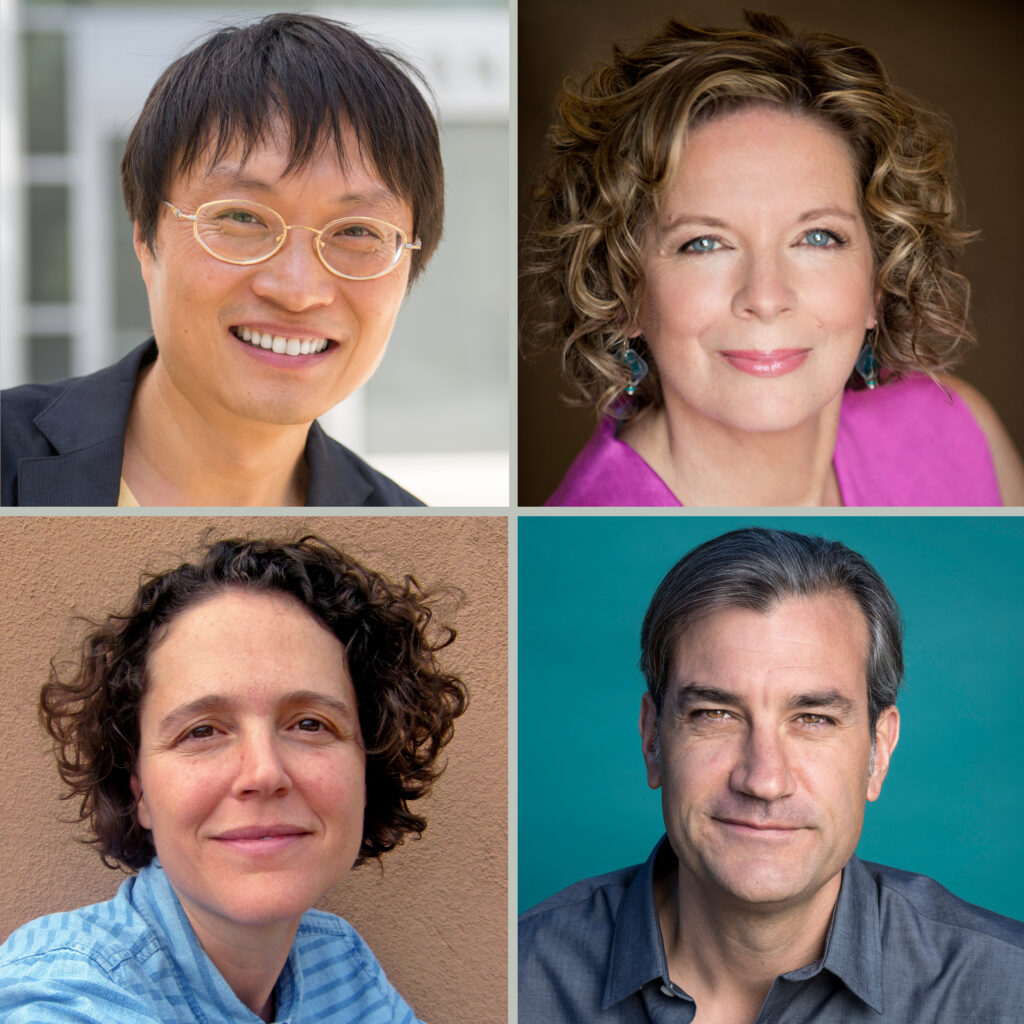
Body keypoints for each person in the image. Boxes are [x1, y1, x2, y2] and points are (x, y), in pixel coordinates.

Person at [518, 527, 1024, 1022]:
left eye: (813, 720)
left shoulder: (1007, 991)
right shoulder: (523, 976)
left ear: (879, 750)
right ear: (653, 738)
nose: (763, 780)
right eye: (715, 714)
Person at [522, 13, 1024, 507]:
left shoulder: (956, 429)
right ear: (624, 291)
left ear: (879, 279)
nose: (766, 297)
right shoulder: (597, 522)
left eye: (818, 237)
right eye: (704, 243)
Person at [0, 536, 468, 1023]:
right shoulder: (64, 992)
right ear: (139, 791)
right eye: (201, 731)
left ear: (368, 768)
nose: (264, 773)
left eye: (310, 724)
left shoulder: (340, 960)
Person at [1, 13, 444, 507]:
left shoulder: (402, 524)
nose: (298, 290)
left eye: (358, 231)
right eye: (242, 218)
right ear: (146, 239)